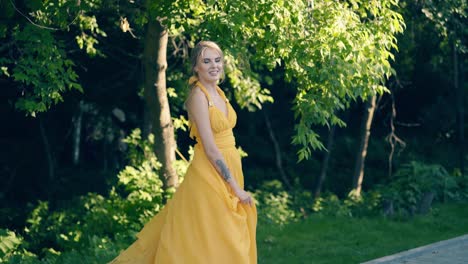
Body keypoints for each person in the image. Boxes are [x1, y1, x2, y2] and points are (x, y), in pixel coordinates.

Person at [109, 40, 257, 264]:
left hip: (231, 164)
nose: (214, 65)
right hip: (209, 171)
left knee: (219, 235)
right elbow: (210, 147)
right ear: (196, 67)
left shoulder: (218, 92)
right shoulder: (198, 97)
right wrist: (235, 188)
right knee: (215, 236)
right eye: (206, 61)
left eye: (217, 60)